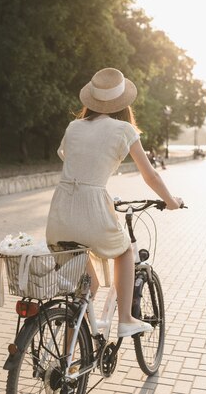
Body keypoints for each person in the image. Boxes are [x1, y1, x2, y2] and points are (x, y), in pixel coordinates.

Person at [46, 68, 183, 338]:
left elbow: (73, 160)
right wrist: (171, 201)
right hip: (91, 209)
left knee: (87, 288)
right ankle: (126, 319)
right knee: (124, 253)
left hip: (60, 214)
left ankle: (70, 360)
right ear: (123, 102)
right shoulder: (124, 129)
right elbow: (150, 175)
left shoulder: (73, 126)